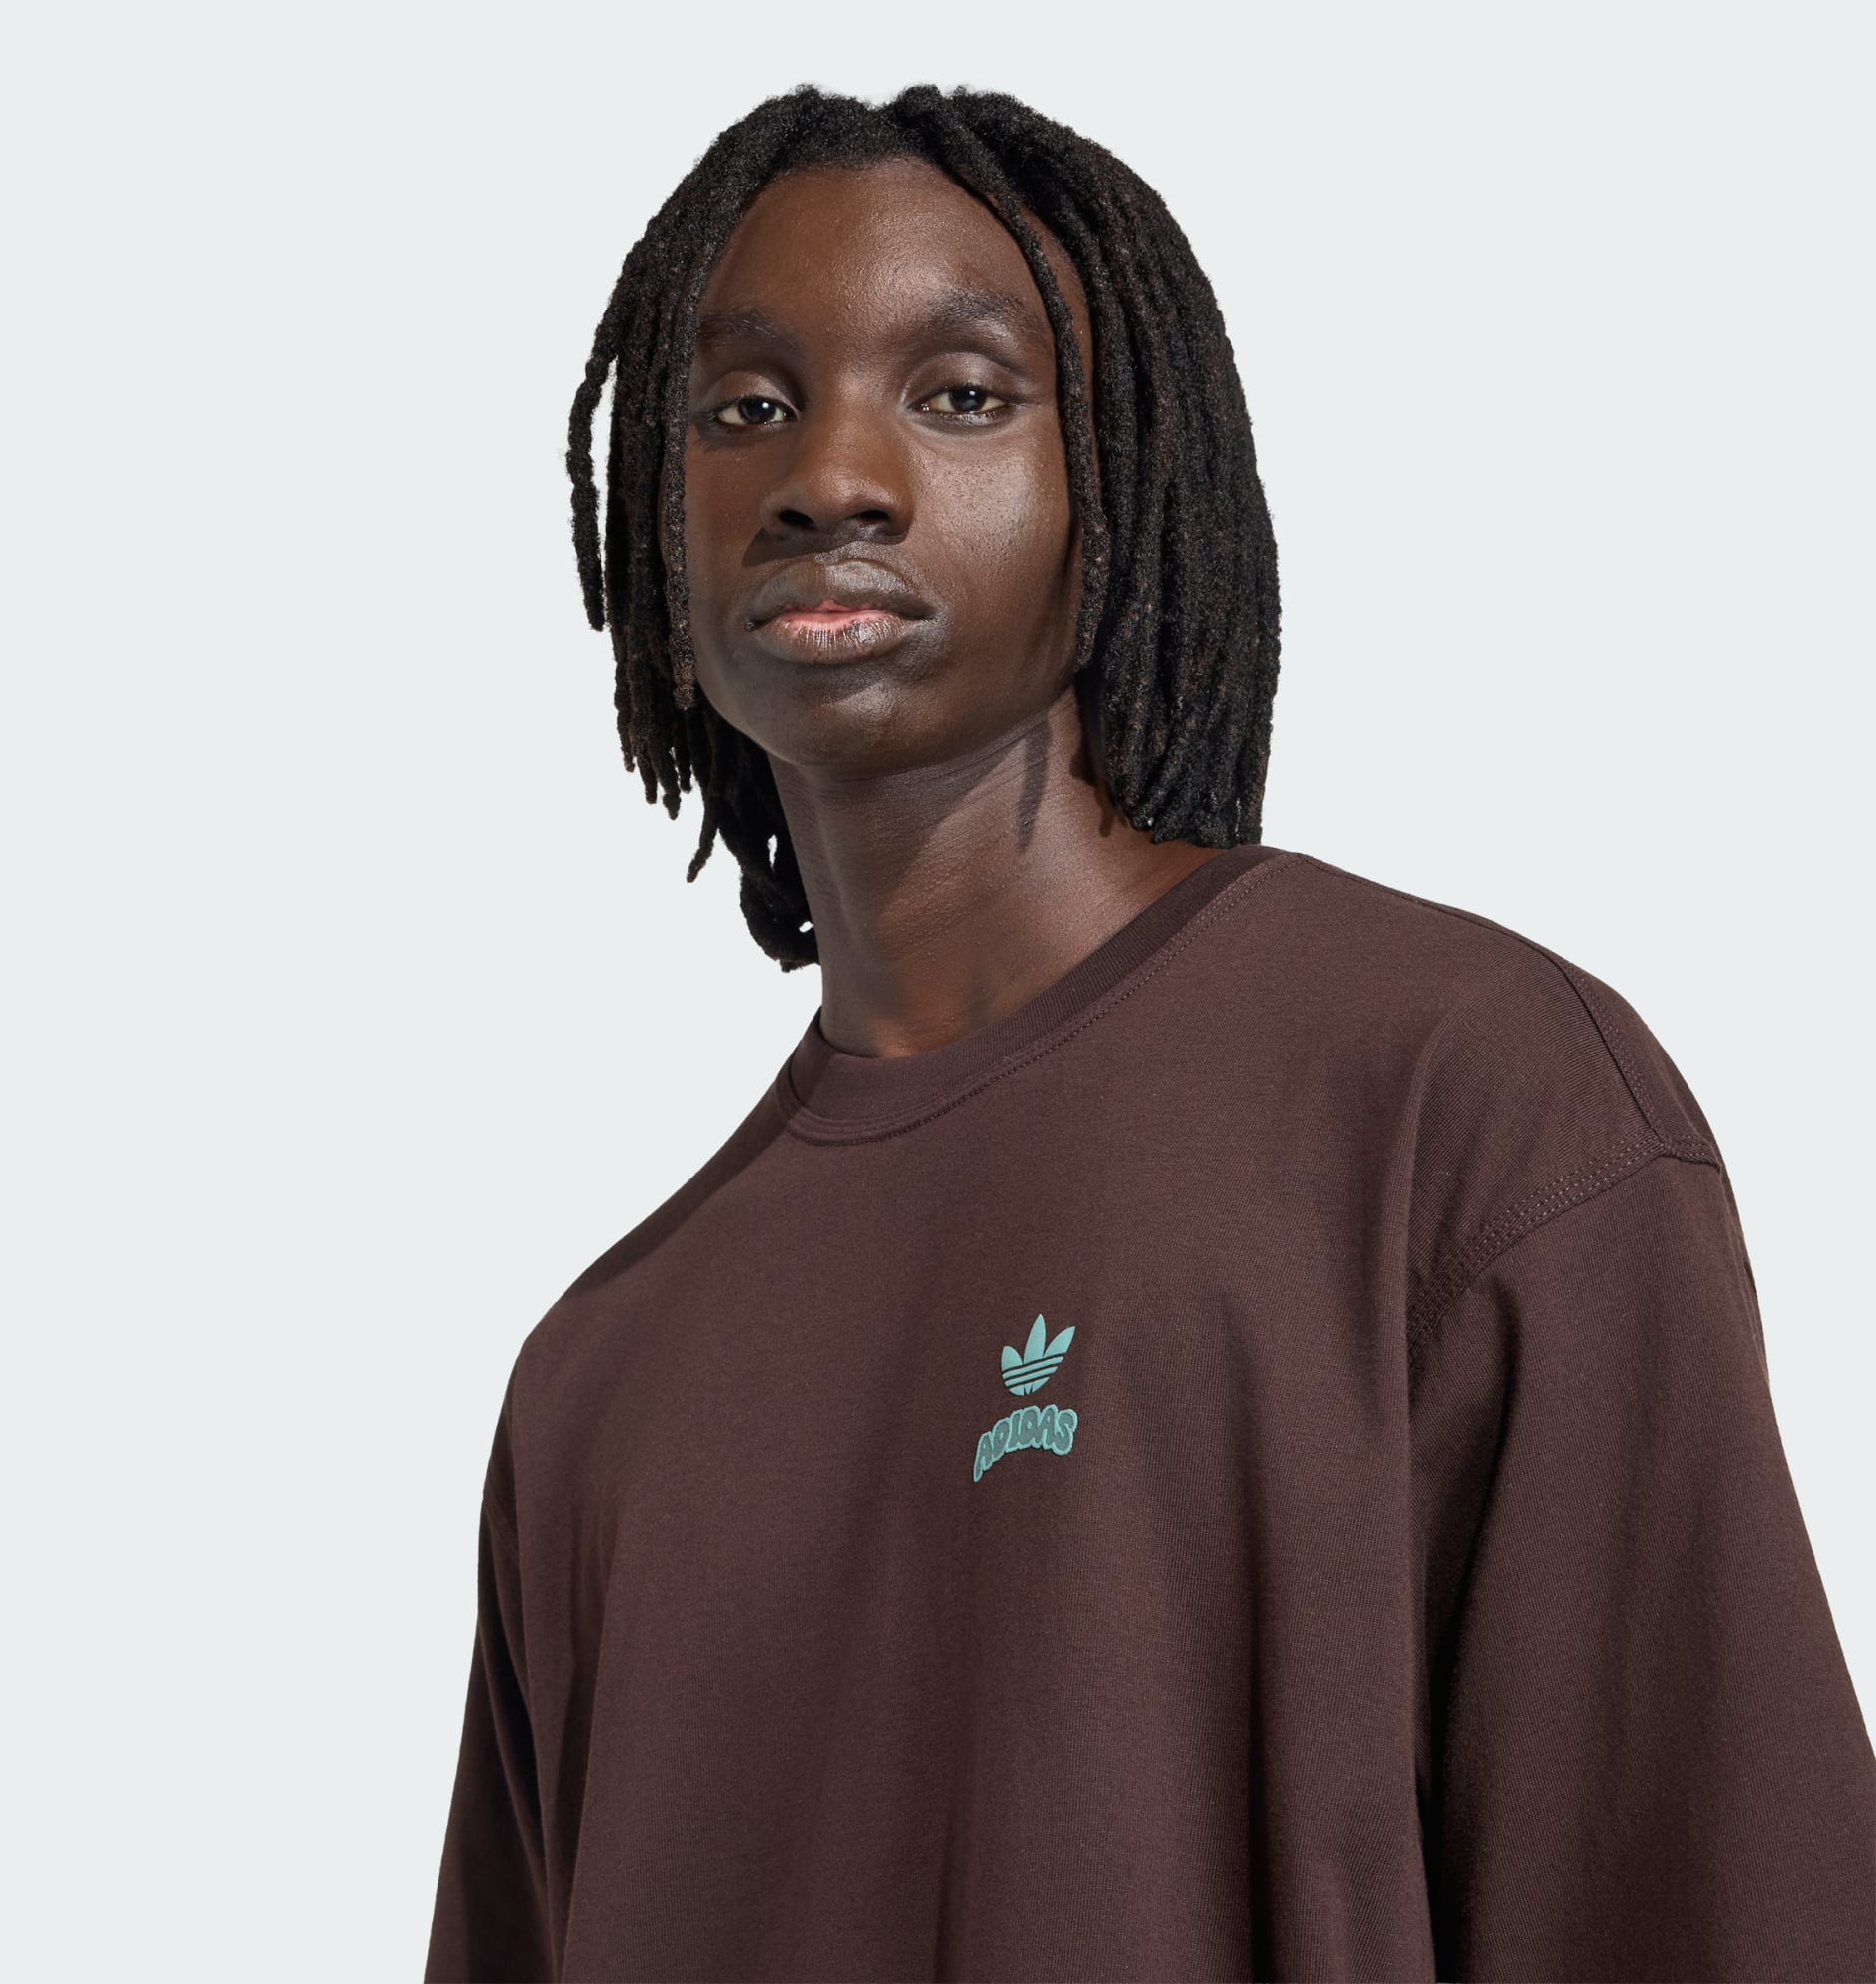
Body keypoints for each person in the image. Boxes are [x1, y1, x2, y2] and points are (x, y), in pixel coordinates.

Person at [424, 81, 1874, 1983]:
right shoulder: (596, 1384)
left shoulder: (1460, 1109)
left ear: (1128, 470)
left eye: (961, 394)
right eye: (743, 408)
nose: (830, 477)